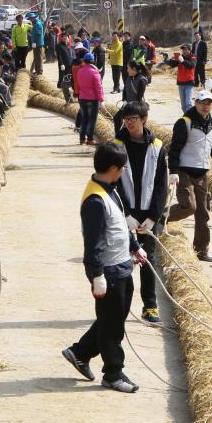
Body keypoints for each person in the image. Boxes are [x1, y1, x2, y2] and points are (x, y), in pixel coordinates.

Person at [62, 142, 147, 394]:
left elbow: (120, 222)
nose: (123, 172)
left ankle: (80, 352)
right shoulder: (95, 201)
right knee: (113, 327)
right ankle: (113, 372)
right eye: (122, 168)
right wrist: (96, 275)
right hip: (108, 271)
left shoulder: (110, 189)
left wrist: (134, 245)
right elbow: (94, 243)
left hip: (122, 265)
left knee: (113, 318)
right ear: (113, 168)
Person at [112, 101, 168, 324]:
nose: (129, 122)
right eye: (126, 118)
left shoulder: (157, 146)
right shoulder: (116, 146)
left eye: (134, 118)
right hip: (124, 213)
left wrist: (153, 217)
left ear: (144, 119)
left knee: (148, 259)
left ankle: (150, 306)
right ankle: (118, 306)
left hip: (148, 215)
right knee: (119, 259)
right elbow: (113, 182)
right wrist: (125, 214)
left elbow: (161, 185)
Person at [167, 90, 212, 262]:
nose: (205, 106)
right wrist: (173, 172)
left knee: (203, 213)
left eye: (209, 103)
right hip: (184, 171)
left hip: (201, 174)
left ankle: (201, 251)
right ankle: (160, 218)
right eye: (202, 102)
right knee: (189, 206)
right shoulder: (184, 123)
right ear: (195, 103)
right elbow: (174, 149)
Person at [113, 60, 149, 135]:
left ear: (134, 69)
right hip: (127, 104)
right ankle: (118, 136)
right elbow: (125, 89)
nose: (127, 70)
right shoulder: (129, 77)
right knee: (116, 118)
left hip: (136, 107)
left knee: (130, 123)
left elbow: (139, 97)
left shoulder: (142, 80)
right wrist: (124, 100)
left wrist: (130, 106)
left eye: (128, 68)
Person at [76, 52, 104, 146]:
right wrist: (101, 99)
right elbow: (98, 87)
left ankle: (82, 138)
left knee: (85, 118)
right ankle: (90, 139)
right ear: (93, 61)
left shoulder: (80, 71)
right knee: (92, 119)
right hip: (93, 99)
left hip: (82, 98)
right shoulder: (95, 72)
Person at [174, 44, 197, 114]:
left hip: (189, 82)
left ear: (189, 50)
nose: (183, 51)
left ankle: (190, 118)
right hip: (181, 82)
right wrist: (167, 59)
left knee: (188, 103)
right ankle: (187, 117)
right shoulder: (180, 57)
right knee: (183, 105)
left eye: (185, 49)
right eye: (183, 49)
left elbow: (191, 66)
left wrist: (183, 61)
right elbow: (172, 65)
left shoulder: (193, 57)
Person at [56, 34, 74, 103]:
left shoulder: (68, 46)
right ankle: (60, 91)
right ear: (61, 39)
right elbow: (59, 56)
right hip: (63, 65)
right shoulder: (59, 46)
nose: (65, 39)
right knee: (62, 78)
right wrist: (61, 64)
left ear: (68, 39)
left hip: (69, 65)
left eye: (66, 38)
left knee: (68, 78)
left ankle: (69, 93)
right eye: (64, 38)